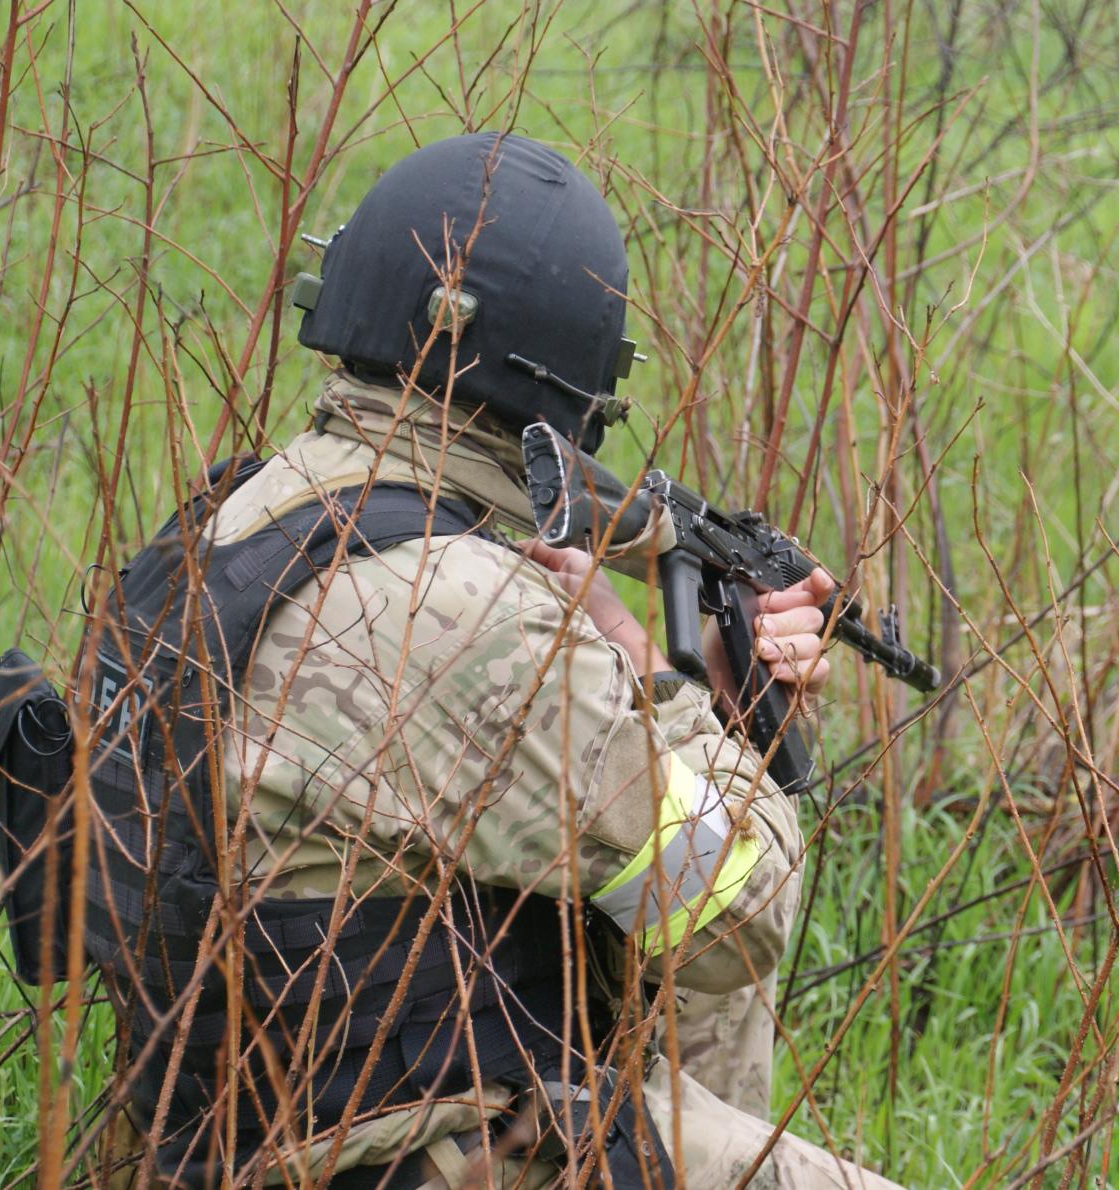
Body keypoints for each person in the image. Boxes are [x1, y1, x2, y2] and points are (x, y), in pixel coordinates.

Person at [79, 132, 903, 1187]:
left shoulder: (235, 519)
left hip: (194, 1141)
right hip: (399, 1154)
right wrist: (663, 673)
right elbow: (736, 922)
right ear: (576, 381)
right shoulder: (469, 612)